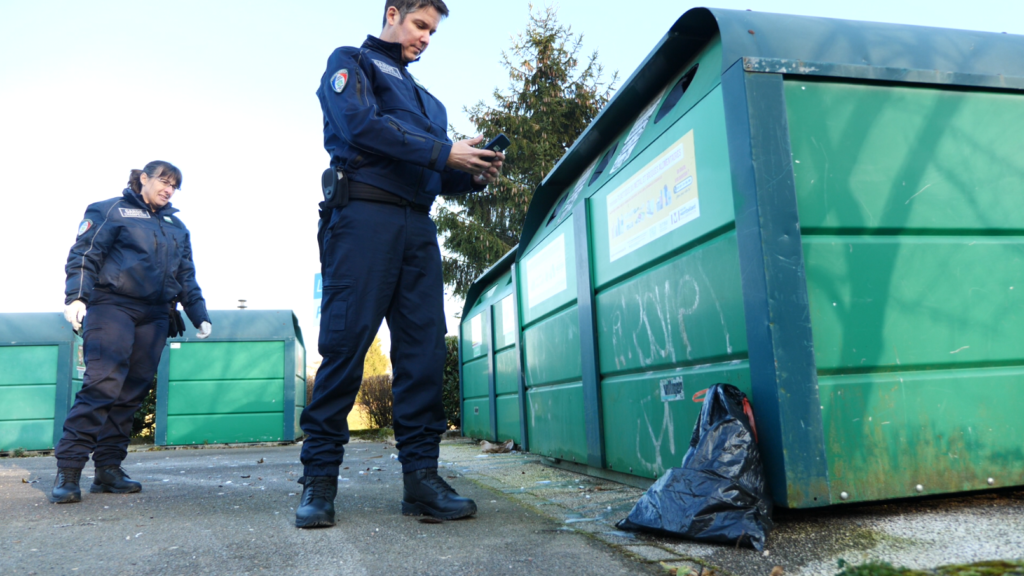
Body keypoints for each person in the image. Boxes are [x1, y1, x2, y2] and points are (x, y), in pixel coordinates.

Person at [296, 0, 504, 528]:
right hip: (363, 216)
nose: (425, 39)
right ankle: (319, 483)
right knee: (345, 349)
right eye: (419, 25)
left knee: (423, 354)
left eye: (432, 32)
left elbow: (436, 171)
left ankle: (422, 482)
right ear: (392, 13)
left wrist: (470, 170)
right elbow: (361, 127)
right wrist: (444, 154)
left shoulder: (430, 103)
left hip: (417, 228)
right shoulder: (353, 62)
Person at [51, 160, 212, 504]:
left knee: (131, 392)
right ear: (144, 179)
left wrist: (199, 314)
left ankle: (108, 470)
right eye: (164, 182)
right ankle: (68, 471)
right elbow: (85, 253)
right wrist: (76, 296)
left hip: (155, 315)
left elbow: (186, 274)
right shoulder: (111, 210)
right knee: (102, 384)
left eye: (174, 186)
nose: (169, 189)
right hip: (113, 306)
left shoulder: (176, 225)